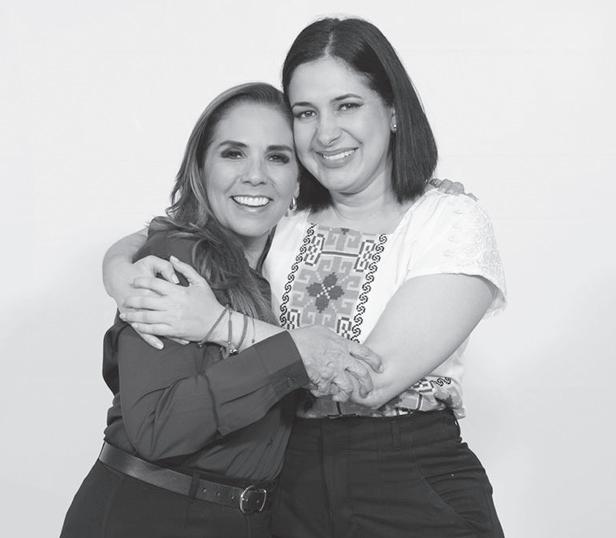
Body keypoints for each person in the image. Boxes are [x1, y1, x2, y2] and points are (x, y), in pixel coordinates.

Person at [106, 17, 507, 538]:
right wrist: (118, 270)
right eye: (305, 113)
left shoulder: (448, 220)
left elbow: (368, 380)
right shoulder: (286, 218)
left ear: (392, 110)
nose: (325, 133)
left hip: (407, 476)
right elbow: (178, 229)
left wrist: (220, 324)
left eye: (347, 105)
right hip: (287, 481)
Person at [60, 82, 383, 538]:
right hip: (150, 516)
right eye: (233, 153)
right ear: (200, 168)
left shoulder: (288, 269)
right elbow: (159, 428)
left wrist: (427, 199)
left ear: (298, 179)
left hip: (246, 520)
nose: (255, 175)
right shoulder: (176, 261)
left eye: (277, 157)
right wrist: (291, 353)